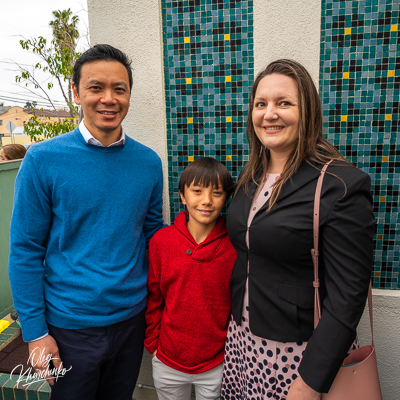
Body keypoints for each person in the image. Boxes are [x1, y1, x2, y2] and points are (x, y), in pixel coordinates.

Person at [8, 44, 164, 400]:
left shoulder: (148, 163)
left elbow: (153, 236)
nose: (108, 98)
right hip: (68, 328)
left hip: (130, 320)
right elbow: (25, 251)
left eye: (119, 89)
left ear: (129, 95)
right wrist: (34, 332)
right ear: (76, 92)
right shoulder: (42, 160)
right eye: (96, 87)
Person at [220, 59, 375, 400]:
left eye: (284, 103)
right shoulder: (250, 178)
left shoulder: (340, 185)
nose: (269, 113)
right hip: (244, 342)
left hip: (298, 354)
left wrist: (309, 383)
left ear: (308, 112)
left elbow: (348, 296)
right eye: (260, 104)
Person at [145, 157, 237, 400]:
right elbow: (154, 297)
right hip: (167, 359)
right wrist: (153, 344)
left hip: (217, 361)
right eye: (197, 191)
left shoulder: (236, 246)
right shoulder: (161, 242)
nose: (206, 200)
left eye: (216, 193)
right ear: (183, 196)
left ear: (226, 197)